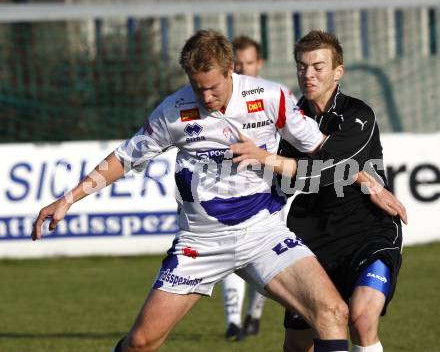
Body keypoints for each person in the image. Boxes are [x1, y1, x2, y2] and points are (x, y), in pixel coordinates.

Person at [32, 30, 350, 352]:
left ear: (231, 71)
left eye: (213, 87)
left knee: (331, 312)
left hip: (263, 233)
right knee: (141, 342)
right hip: (201, 241)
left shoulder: (271, 97)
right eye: (199, 88)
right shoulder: (174, 110)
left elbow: (323, 152)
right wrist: (68, 199)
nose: (207, 97)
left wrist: (364, 182)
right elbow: (126, 158)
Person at [229, 30, 407, 352]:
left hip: (367, 227)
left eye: (318, 66)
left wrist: (272, 159)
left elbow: (328, 164)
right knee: (299, 344)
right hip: (311, 233)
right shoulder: (286, 120)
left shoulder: (358, 115)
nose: (308, 74)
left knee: (362, 320)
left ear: (338, 71)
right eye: (302, 66)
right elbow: (286, 182)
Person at [221, 35, 298, 341]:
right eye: (237, 63)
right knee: (229, 256)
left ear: (259, 64)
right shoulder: (218, 100)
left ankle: (253, 316)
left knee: (267, 259)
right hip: (229, 192)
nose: (242, 68)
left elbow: (296, 138)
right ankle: (232, 322)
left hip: (269, 193)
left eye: (248, 63)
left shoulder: (274, 95)